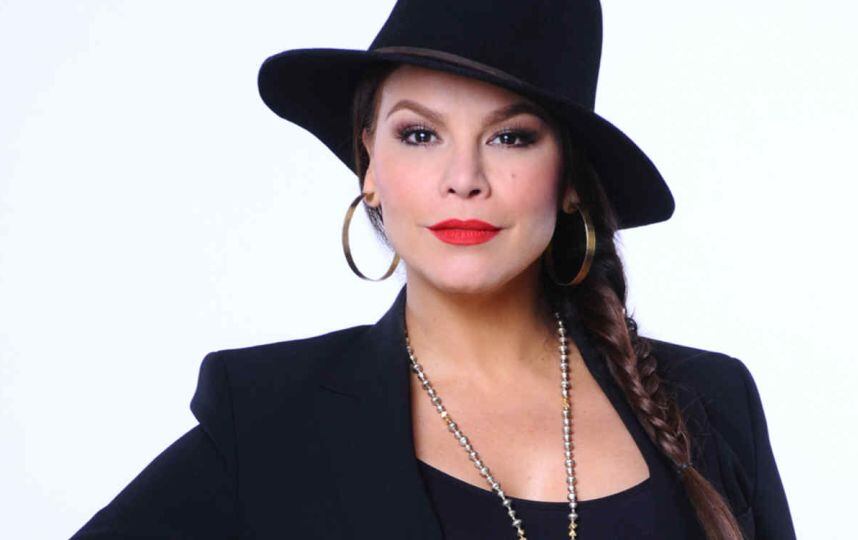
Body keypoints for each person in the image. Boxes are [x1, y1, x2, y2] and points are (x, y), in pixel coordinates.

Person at [70, 1, 795, 539]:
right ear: (369, 165)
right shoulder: (270, 418)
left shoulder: (712, 401)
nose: (464, 178)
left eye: (511, 137)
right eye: (420, 134)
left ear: (570, 177)